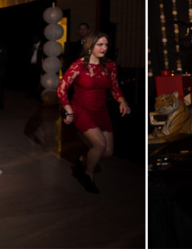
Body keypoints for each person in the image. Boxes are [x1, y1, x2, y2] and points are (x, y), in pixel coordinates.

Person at [56, 31, 134, 193]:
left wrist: (122, 102)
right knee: (100, 144)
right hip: (81, 108)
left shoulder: (110, 65)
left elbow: (114, 88)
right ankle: (88, 175)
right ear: (90, 46)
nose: (104, 48)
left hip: (101, 110)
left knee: (108, 151)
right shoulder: (78, 65)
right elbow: (61, 89)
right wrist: (69, 112)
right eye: (100, 44)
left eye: (106, 45)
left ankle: (83, 160)